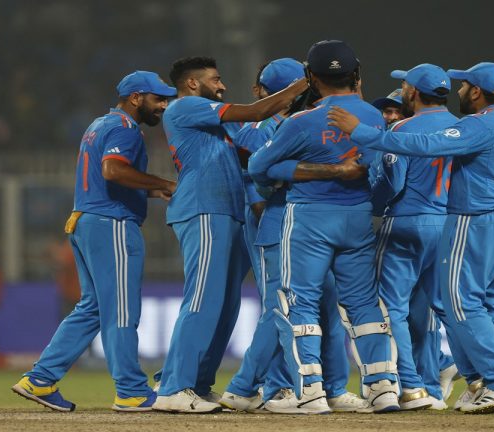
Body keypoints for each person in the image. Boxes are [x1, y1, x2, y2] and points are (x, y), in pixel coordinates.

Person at [328, 61, 494, 414]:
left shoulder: (477, 124)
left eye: (464, 85)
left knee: (454, 303)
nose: (460, 91)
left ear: (476, 91)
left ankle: (490, 381)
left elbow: (424, 147)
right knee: (492, 303)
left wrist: (363, 134)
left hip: (470, 219)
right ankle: (485, 382)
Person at [11, 71, 178, 412]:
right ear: (136, 98)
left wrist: (150, 190)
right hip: (111, 224)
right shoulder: (125, 128)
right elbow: (113, 171)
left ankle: (40, 378)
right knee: (121, 310)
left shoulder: (99, 124)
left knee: (93, 308)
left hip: (86, 220)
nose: (163, 105)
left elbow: (106, 178)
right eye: (158, 98)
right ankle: (131, 390)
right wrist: (164, 183)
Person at [249, 40, 401, 414]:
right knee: (363, 303)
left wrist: (299, 171)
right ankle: (382, 388)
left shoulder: (301, 122)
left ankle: (311, 392)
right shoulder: (373, 116)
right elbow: (378, 168)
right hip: (358, 217)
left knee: (298, 302)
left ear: (311, 77)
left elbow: (258, 168)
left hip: (310, 218)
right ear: (356, 74)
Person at [152, 56, 307, 413]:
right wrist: (304, 83)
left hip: (226, 211)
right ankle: (173, 387)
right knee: (202, 300)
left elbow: (261, 138)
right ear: (193, 83)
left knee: (224, 306)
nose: (222, 86)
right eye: (215, 79)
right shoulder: (186, 106)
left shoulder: (214, 120)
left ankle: (197, 384)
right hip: (204, 208)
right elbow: (256, 112)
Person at [219, 58, 368, 413]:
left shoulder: (307, 122)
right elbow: (256, 184)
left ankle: (333, 387)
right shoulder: (258, 129)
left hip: (312, 223)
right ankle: (262, 386)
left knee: (326, 307)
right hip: (276, 221)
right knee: (282, 309)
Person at [369, 63, 462, 410]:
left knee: (390, 307)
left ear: (414, 92)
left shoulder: (403, 129)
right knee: (435, 310)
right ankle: (443, 386)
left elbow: (392, 184)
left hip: (406, 221)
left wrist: (369, 204)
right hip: (447, 223)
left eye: (406, 86)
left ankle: (410, 386)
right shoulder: (463, 128)